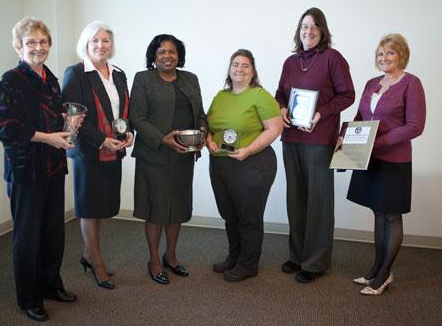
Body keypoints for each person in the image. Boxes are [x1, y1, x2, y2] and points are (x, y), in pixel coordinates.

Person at [0, 16, 77, 322]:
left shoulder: (52, 81)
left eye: (43, 42)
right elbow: (5, 127)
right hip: (26, 171)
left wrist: (69, 125)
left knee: (54, 233)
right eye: (31, 42)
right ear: (19, 46)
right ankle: (29, 298)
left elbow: (55, 120)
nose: (38, 47)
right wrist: (48, 138)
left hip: (54, 168)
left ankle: (51, 284)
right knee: (27, 237)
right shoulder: (10, 81)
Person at [275, 7, 355, 283]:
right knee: (296, 200)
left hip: (320, 140)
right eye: (303, 27)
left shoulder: (332, 58)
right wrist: (283, 108)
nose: (308, 31)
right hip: (292, 139)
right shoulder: (290, 62)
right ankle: (297, 256)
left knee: (318, 202)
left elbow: (347, 95)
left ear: (322, 31)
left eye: (313, 27)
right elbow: (279, 94)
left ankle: (316, 262)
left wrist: (322, 112)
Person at [342, 34, 426, 295]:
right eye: (380, 54)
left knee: (391, 214)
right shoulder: (371, 84)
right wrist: (345, 136)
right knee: (377, 212)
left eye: (390, 53)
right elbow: (360, 117)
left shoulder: (411, 84)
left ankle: (385, 274)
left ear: (401, 56)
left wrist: (376, 143)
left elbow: (415, 126)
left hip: (395, 161)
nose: (384, 58)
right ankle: (375, 270)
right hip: (370, 159)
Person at [129, 34, 207, 284]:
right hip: (154, 155)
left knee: (177, 209)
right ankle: (153, 260)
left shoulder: (190, 79)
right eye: (161, 51)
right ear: (154, 55)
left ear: (179, 56)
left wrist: (202, 133)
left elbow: (201, 114)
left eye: (172, 52)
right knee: (156, 210)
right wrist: (164, 138)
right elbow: (137, 117)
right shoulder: (143, 79)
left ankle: (171, 257)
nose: (167, 56)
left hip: (183, 156)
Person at [62, 21, 134, 290]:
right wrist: (102, 140)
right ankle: (96, 261)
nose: (101, 46)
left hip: (113, 149)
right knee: (89, 208)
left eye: (106, 41)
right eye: (96, 41)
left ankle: (88, 253)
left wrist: (128, 133)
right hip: (89, 153)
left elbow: (125, 111)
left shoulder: (118, 73)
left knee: (101, 206)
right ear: (86, 44)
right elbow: (73, 115)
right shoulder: (76, 73)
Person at [207, 49, 282, 282]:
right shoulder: (221, 96)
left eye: (245, 65)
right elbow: (208, 124)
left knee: (248, 216)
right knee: (230, 214)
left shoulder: (260, 96)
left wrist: (248, 150)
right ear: (229, 69)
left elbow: (275, 128)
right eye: (235, 64)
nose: (239, 69)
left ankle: (249, 264)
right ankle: (235, 256)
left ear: (253, 71)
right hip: (221, 164)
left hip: (252, 163)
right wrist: (208, 140)